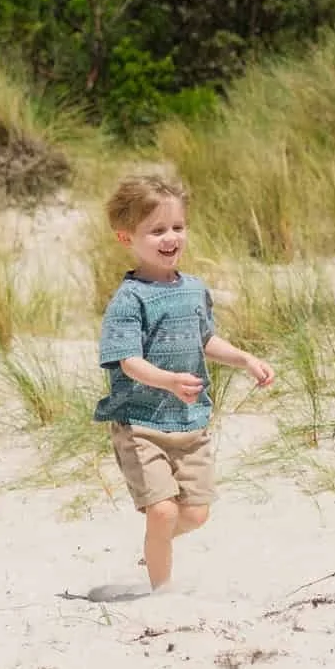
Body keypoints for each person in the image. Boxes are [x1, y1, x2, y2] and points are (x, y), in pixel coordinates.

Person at [93, 175, 275, 592]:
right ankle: (161, 595)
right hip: (140, 424)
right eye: (156, 230)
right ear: (127, 237)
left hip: (188, 423)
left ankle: (156, 547)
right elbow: (129, 361)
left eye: (177, 227)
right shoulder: (129, 298)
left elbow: (206, 339)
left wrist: (244, 358)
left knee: (194, 514)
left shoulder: (193, 289)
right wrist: (169, 380)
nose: (169, 237)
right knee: (161, 512)